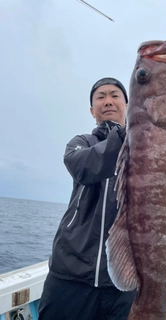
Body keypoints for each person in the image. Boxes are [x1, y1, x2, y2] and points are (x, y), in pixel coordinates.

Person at [38, 77, 136, 320]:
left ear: (128, 104)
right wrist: (125, 136)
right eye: (100, 96)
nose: (108, 100)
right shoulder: (80, 144)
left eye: (115, 95)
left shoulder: (145, 149)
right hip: (70, 274)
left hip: (125, 280)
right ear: (92, 111)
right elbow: (83, 166)